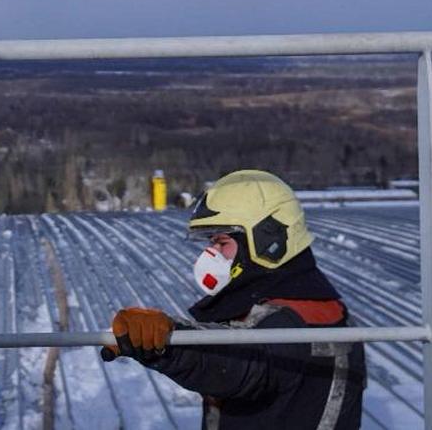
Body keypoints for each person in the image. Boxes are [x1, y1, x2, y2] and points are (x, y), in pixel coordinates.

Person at [105, 169, 366, 428]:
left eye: (221, 242)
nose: (211, 254)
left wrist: (167, 339)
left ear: (268, 240)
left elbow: (238, 363)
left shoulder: (294, 321)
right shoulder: (319, 303)